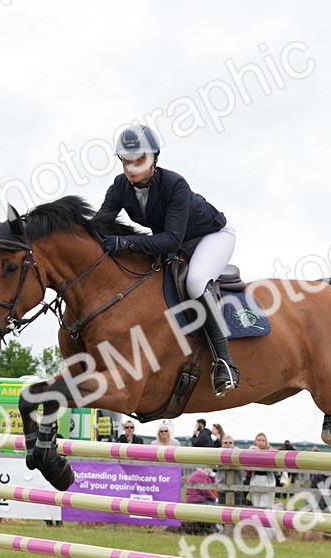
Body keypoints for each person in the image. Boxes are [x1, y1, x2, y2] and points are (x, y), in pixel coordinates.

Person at [97, 124, 239, 396]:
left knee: (196, 281)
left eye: (139, 160)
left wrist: (126, 242)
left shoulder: (175, 184)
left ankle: (225, 363)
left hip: (211, 236)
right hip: (176, 242)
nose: (131, 167)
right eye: (126, 161)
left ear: (154, 159)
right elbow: (99, 225)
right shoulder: (119, 187)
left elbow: (171, 240)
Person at [247, 433, 277, 510]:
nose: (261, 442)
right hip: (255, 478)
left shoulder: (271, 451)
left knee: (264, 505)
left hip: (268, 479)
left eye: (263, 440)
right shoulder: (252, 450)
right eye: (259, 440)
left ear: (266, 442)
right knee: (255, 504)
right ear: (255, 441)